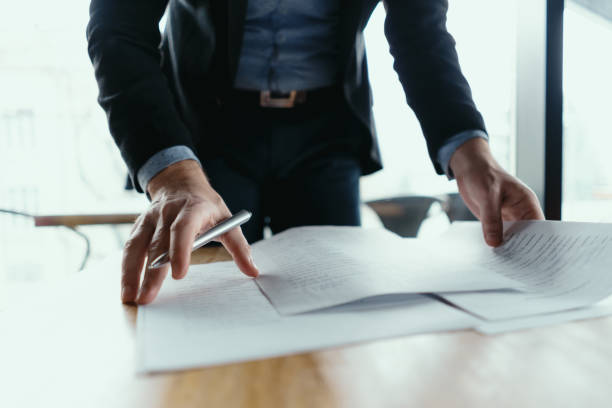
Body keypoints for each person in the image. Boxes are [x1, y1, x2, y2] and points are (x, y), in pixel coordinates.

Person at [87, 0, 544, 305]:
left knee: (334, 308)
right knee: (205, 301)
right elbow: (118, 28)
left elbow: (421, 32)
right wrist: (171, 175)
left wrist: (469, 148)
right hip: (203, 137)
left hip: (326, 132)